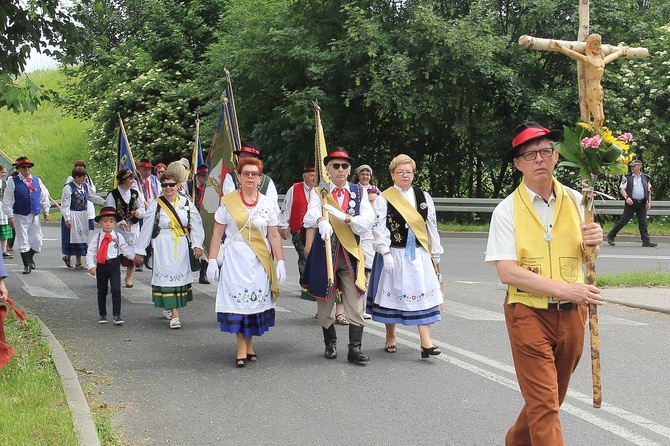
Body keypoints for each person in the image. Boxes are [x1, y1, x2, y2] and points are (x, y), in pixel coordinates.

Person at [485, 121, 604, 445]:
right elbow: (507, 272)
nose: (539, 159)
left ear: (556, 157)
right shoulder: (506, 210)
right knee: (545, 404)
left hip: (572, 316)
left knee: (548, 401)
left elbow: (584, 253)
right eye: (530, 154)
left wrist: (594, 239)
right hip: (527, 313)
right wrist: (565, 289)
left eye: (546, 152)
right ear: (518, 163)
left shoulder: (581, 201)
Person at [206, 156, 286, 367]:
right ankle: (241, 346)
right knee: (239, 303)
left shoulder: (268, 203)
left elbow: (274, 235)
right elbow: (217, 234)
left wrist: (280, 261)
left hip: (259, 260)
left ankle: (248, 344)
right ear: (239, 177)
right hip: (236, 258)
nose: (250, 177)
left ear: (260, 178)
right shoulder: (228, 201)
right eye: (246, 173)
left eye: (254, 174)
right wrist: (212, 260)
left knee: (253, 304)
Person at [366, 154, 444, 357]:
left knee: (422, 294)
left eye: (408, 172)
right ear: (393, 175)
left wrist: (435, 254)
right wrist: (385, 252)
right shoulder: (385, 198)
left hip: (419, 254)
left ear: (413, 174)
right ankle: (390, 336)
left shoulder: (423, 197)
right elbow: (379, 226)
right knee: (392, 294)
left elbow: (431, 226)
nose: (405, 176)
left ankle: (426, 342)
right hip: (395, 253)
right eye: (400, 172)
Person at [302, 148, 374, 364]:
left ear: (349, 169)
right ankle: (330, 343)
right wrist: (321, 221)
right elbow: (311, 212)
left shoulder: (359, 192)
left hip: (350, 255)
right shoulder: (319, 192)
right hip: (326, 253)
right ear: (328, 169)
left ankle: (355, 348)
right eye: (336, 166)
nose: (340, 170)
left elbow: (368, 221)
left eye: (345, 166)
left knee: (355, 301)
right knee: (325, 303)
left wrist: (346, 219)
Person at [135, 172, 205, 329]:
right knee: (165, 276)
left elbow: (196, 224)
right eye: (165, 185)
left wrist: (197, 244)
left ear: (177, 185)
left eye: (171, 185)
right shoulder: (156, 204)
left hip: (180, 244)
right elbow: (146, 227)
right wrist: (141, 250)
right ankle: (174, 314)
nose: (168, 188)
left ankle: (171, 307)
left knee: (177, 277)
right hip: (162, 244)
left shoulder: (186, 203)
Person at [549, 34, 628, 128]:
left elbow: (614, 55)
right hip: (592, 90)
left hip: (599, 90)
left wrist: (622, 51)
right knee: (597, 117)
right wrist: (560, 48)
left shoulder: (601, 60)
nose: (598, 47)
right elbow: (572, 54)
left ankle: (599, 137)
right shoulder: (588, 60)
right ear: (589, 46)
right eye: (595, 44)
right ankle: (592, 138)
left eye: (599, 44)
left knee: (602, 117)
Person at [86, 207, 135, 325]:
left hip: (114, 265)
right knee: (102, 291)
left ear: (115, 223)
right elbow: (91, 252)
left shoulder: (118, 237)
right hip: (102, 265)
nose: (108, 224)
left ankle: (117, 315)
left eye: (111, 221)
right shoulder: (97, 238)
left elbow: (125, 250)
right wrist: (91, 265)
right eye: (105, 221)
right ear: (100, 223)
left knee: (116, 290)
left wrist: (135, 257)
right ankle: (102, 314)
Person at [2, 156, 50, 274]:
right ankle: (27, 264)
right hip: (20, 214)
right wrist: (10, 216)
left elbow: (43, 196)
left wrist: (46, 210)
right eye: (24, 167)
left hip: (34, 213)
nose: (27, 169)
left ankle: (29, 257)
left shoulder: (37, 180)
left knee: (38, 240)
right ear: (19, 169)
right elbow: (8, 200)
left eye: (29, 167)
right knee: (23, 239)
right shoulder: (13, 182)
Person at [106, 167, 146, 288]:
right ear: (123, 180)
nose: (132, 181)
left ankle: (128, 277)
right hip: (118, 230)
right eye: (130, 178)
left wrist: (139, 213)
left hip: (132, 229)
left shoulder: (135, 193)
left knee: (132, 254)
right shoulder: (113, 195)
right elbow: (110, 212)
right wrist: (118, 222)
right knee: (116, 253)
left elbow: (143, 208)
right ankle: (114, 276)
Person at [279, 163, 316, 291]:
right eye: (311, 175)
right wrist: (284, 225)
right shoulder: (294, 189)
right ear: (304, 176)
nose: (314, 178)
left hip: (316, 229)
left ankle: (314, 284)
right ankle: (305, 285)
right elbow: (286, 207)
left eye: (315, 175)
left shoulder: (321, 189)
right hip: (299, 230)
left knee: (315, 257)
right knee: (304, 255)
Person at [61, 166, 105, 269]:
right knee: (73, 238)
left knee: (82, 238)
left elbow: (91, 196)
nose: (85, 178)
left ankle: (77, 261)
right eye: (83, 176)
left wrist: (103, 202)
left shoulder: (84, 186)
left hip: (82, 214)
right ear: (76, 177)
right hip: (73, 214)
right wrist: (67, 218)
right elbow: (65, 203)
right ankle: (72, 259)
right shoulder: (68, 187)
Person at [607, 159, 657, 247]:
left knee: (643, 222)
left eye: (634, 166)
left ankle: (646, 241)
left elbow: (648, 190)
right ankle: (611, 236)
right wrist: (626, 197)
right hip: (631, 203)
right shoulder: (627, 177)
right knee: (623, 221)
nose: (632, 168)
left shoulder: (645, 177)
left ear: (639, 167)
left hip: (641, 203)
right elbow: (622, 188)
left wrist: (649, 201)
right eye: (631, 166)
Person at [352, 164, 379, 319]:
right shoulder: (354, 190)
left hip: (371, 234)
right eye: (362, 174)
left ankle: (366, 306)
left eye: (367, 174)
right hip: (358, 231)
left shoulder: (376, 191)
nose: (365, 177)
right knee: (357, 270)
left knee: (369, 270)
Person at [187, 163, 211, 283]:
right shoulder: (190, 185)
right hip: (193, 218)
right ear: (197, 176)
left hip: (206, 218)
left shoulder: (210, 186)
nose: (204, 179)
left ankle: (204, 272)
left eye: (206, 176)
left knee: (206, 244)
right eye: (202, 176)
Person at [65, 160, 98, 230]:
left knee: (86, 232)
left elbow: (92, 191)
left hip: (87, 208)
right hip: (75, 212)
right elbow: (67, 198)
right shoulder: (70, 180)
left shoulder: (87, 179)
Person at [0, 165, 13, 259]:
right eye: (2, 172)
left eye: (5, 172)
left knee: (4, 229)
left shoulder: (4, 182)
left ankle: (4, 251)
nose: (4, 174)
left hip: (2, 206)